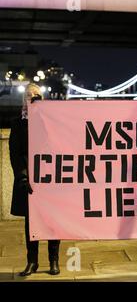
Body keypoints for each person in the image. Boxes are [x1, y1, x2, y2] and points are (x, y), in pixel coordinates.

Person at [9, 83, 61, 276]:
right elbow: (14, 153)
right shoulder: (17, 123)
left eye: (36, 95)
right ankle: (32, 262)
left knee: (52, 221)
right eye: (29, 96)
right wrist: (23, 176)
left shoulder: (51, 121)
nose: (32, 98)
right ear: (24, 100)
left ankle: (53, 260)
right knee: (31, 223)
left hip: (49, 179)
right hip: (28, 180)